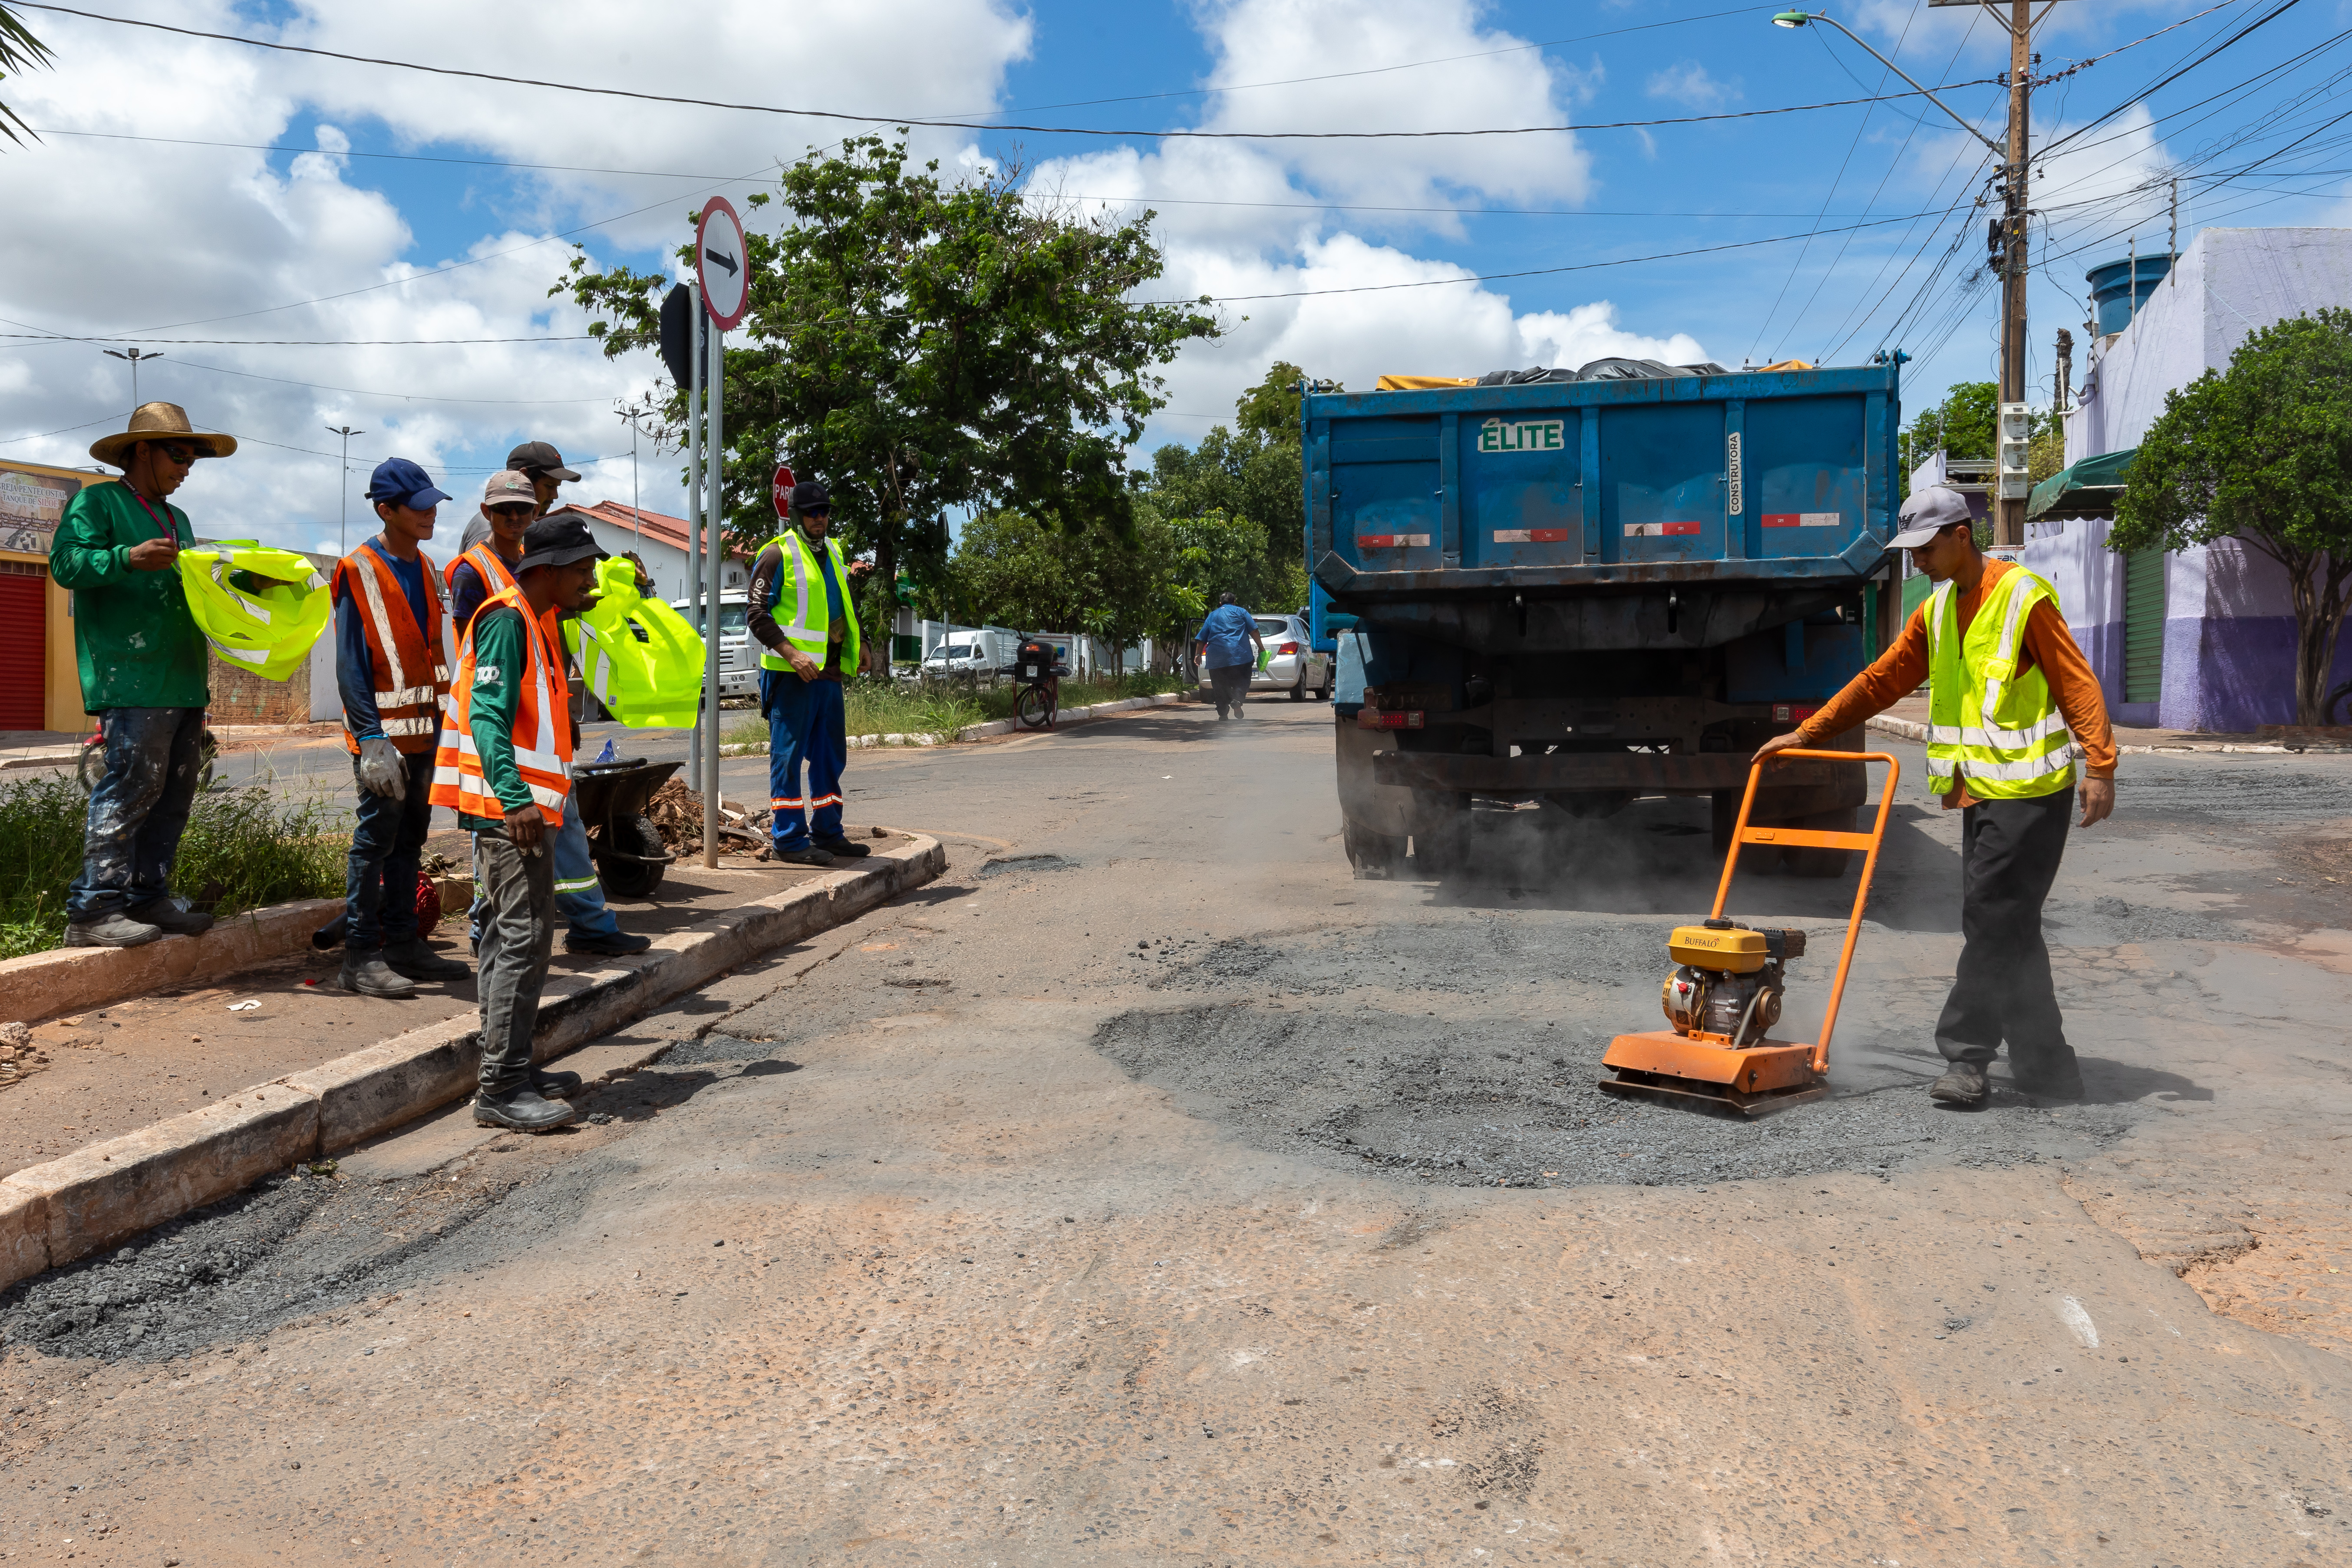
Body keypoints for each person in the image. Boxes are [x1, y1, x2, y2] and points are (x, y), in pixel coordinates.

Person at [1753, 486, 2117, 1107]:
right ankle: (2047, 1064)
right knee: (2010, 926)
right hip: (1977, 795)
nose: (1915, 561)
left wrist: (2101, 764)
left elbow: (2074, 679)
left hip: (2032, 794)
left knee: (1990, 917)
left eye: (1925, 547)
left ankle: (1967, 1056)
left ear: (1961, 535)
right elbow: (1880, 681)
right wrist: (1807, 730)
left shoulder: (2022, 598)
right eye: (1910, 550)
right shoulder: (1938, 609)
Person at [430, 513, 606, 1132]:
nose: (591, 579)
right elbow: (486, 716)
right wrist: (513, 797)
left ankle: (516, 1066)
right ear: (548, 571)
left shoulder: (537, 618)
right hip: (512, 812)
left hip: (526, 809)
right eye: (582, 569)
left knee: (522, 939)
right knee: (520, 940)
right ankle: (501, 1086)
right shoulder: (507, 619)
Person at [48, 403, 239, 948]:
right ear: (142, 451)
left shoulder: (178, 521)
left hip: (181, 677)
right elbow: (66, 565)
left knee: (174, 794)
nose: (187, 467)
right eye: (179, 455)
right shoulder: (98, 502)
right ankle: (93, 911)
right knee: (132, 787)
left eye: (193, 459)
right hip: (131, 676)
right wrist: (127, 557)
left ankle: (147, 897)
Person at [449, 473, 647, 959]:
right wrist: (514, 795)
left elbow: (549, 650)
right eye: (505, 510)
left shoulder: (537, 586)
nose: (517, 517)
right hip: (505, 761)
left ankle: (578, 926)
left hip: (535, 746)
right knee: (510, 917)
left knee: (530, 891)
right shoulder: (486, 582)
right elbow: (486, 689)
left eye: (526, 508)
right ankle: (496, 939)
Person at [330, 458, 471, 997]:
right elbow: (351, 664)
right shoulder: (357, 569)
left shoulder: (432, 569)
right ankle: (361, 954)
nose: (430, 513)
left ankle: (402, 942)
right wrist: (370, 738)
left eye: (433, 503)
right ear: (385, 510)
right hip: (384, 739)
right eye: (418, 506)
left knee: (411, 837)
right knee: (375, 842)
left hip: (427, 732)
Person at [747, 479, 871, 867]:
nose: (821, 519)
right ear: (796, 516)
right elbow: (755, 614)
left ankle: (829, 833)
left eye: (825, 512)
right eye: (812, 513)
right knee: (787, 758)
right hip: (792, 676)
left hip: (829, 674)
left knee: (829, 757)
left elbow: (845, 603)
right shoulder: (776, 554)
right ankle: (788, 840)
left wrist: (862, 640)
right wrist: (791, 653)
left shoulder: (833, 551)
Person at [458, 439, 578, 554]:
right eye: (549, 486)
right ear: (524, 477)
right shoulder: (491, 527)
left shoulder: (526, 528)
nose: (555, 496)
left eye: (557, 487)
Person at [1193, 593, 1266, 721]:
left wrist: (1198, 655)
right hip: (1240, 656)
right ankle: (1237, 700)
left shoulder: (1212, 615)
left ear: (1220, 603)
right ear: (1234, 602)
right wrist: (1261, 648)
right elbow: (1254, 631)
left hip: (1216, 658)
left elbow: (1201, 638)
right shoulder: (1242, 612)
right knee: (1243, 681)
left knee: (1219, 686)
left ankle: (1222, 712)